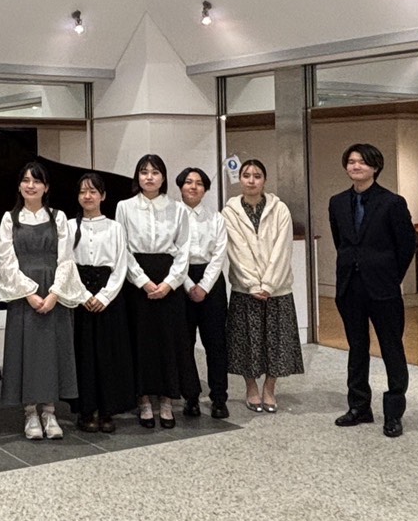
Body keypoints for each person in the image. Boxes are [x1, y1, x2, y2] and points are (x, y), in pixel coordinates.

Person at [328, 142, 416, 437]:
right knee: (357, 348)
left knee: (392, 348)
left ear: (375, 167)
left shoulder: (392, 202)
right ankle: (359, 407)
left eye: (362, 162)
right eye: (351, 161)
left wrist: (390, 276)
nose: (356, 166)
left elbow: (406, 246)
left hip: (383, 288)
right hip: (350, 286)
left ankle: (393, 413)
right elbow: (341, 241)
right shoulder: (337, 202)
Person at [0, 161, 82, 440]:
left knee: (52, 350)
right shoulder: (9, 218)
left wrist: (55, 293)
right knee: (27, 351)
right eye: (25, 180)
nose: (30, 185)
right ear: (19, 186)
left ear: (46, 187)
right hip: (23, 292)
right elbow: (6, 261)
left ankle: (50, 411)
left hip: (53, 288)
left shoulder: (58, 217)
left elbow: (66, 258)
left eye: (36, 181)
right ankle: (30, 412)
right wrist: (29, 293)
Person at [114, 154, 191, 428]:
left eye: (155, 172)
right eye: (144, 172)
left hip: (169, 279)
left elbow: (184, 249)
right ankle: (144, 400)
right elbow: (122, 247)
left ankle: (167, 399)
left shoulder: (178, 209)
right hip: (137, 280)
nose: (149, 177)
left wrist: (170, 282)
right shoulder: (124, 207)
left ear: (163, 177)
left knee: (169, 340)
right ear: (137, 176)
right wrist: (142, 281)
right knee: (140, 340)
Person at [222, 159, 303, 413]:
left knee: (277, 342)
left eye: (257, 175)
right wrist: (252, 284)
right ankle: (251, 388)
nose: (251, 180)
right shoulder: (229, 212)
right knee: (247, 342)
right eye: (246, 175)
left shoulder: (280, 209)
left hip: (277, 289)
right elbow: (236, 250)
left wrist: (268, 284)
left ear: (264, 180)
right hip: (245, 289)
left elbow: (282, 249)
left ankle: (270, 388)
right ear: (240, 179)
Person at [67, 172, 134, 433]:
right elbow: (66, 264)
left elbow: (121, 265)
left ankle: (108, 409)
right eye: (83, 191)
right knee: (83, 353)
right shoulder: (69, 227)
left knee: (109, 353)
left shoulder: (115, 227)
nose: (88, 196)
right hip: (80, 294)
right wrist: (83, 295)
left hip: (109, 296)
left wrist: (105, 295)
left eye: (93, 191)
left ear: (103, 196)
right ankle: (86, 410)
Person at [178, 166, 231, 419]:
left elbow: (219, 254)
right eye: (188, 182)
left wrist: (204, 286)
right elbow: (173, 253)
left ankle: (219, 397)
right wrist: (189, 285)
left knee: (216, 343)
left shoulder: (216, 217)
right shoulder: (173, 217)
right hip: (181, 279)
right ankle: (190, 397)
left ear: (205, 189)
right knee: (185, 342)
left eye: (199, 183)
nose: (193, 187)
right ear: (180, 186)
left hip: (212, 282)